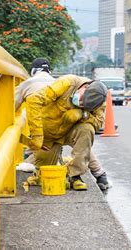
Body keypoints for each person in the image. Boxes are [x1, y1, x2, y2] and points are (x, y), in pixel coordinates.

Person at [16, 58, 109, 191]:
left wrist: (84, 115)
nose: (81, 104)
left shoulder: (99, 102)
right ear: (85, 87)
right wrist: (37, 136)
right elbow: (33, 100)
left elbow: (98, 123)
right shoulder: (67, 83)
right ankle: (44, 168)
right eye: (82, 100)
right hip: (48, 135)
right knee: (43, 173)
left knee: (87, 130)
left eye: (85, 106)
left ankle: (75, 175)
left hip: (69, 131)